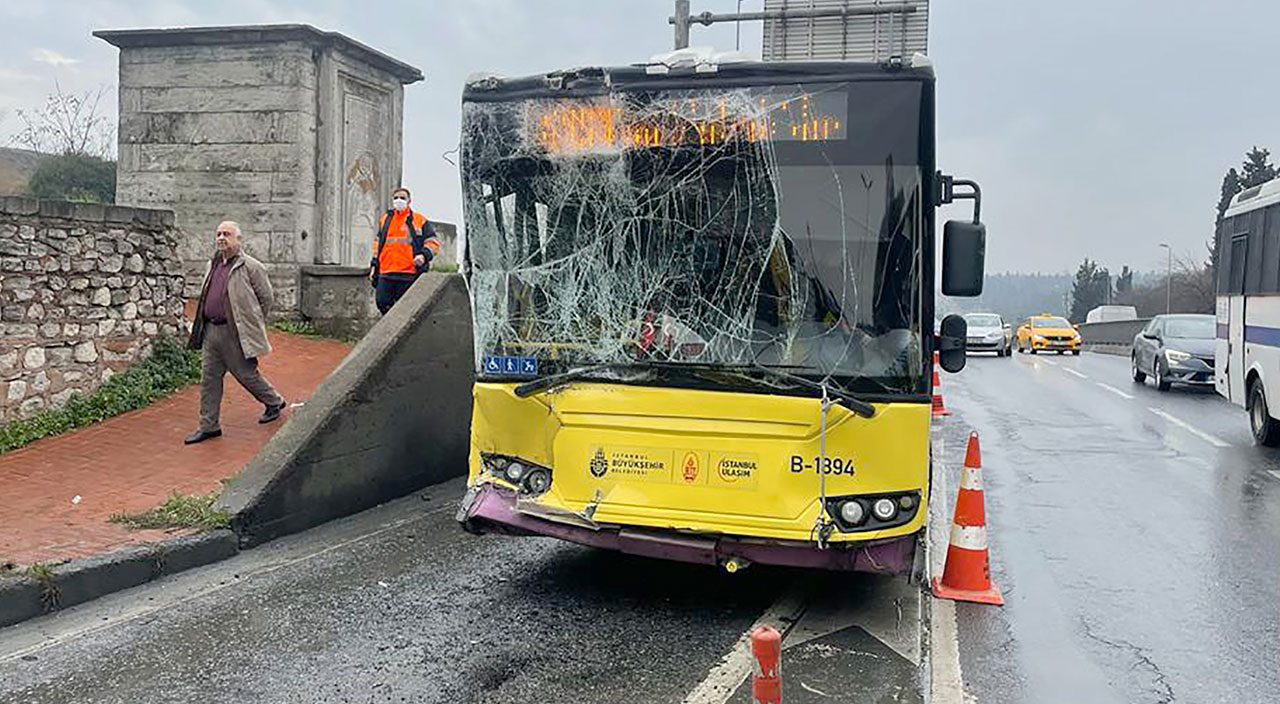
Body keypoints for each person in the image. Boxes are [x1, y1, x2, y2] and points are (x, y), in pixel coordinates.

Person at [184, 221, 287, 445]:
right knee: (209, 380)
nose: (221, 238)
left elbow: (266, 298)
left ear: (238, 240)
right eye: (219, 234)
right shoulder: (212, 264)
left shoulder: (251, 267)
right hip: (211, 331)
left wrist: (250, 322)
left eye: (227, 234)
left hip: (234, 332)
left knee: (246, 374)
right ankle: (209, 426)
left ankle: (274, 401)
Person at [370, 187, 440, 314]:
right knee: (382, 303)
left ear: (409, 201)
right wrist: (375, 264)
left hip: (409, 273)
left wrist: (423, 256)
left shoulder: (419, 220)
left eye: (402, 198)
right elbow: (378, 243)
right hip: (386, 271)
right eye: (396, 198)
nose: (399, 200)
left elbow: (433, 242)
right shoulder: (385, 219)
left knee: (407, 310)